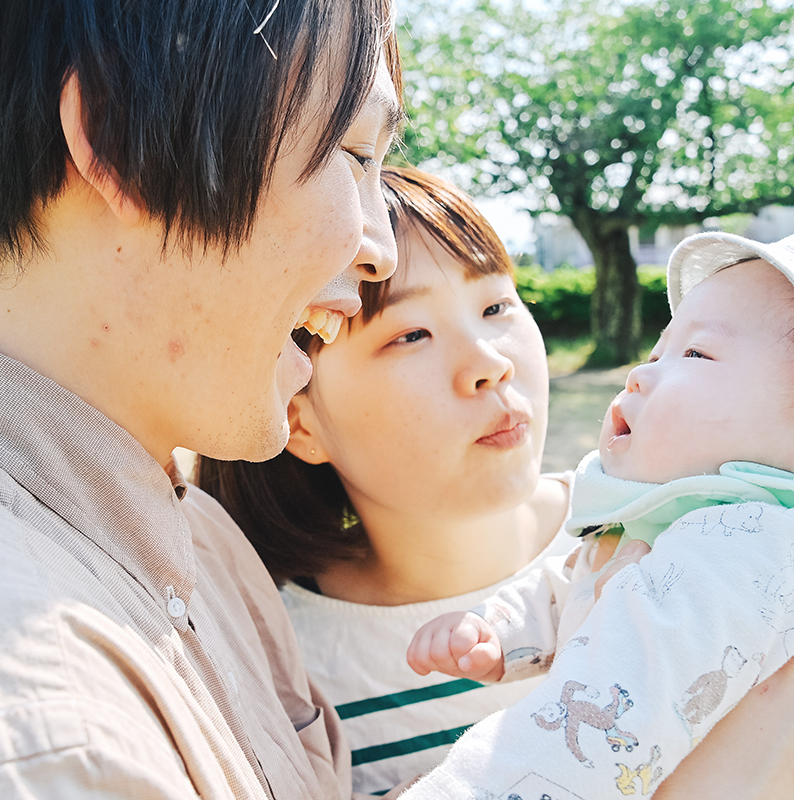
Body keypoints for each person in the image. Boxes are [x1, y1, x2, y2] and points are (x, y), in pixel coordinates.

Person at [0, 1, 794, 798]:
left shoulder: (186, 539)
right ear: (120, 144)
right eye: (353, 157)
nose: (380, 241)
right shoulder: (0, 728)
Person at [406, 222, 794, 799]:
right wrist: (505, 626)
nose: (640, 373)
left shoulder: (751, 548)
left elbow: (588, 727)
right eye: (659, 351)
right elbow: (593, 585)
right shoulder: (702, 529)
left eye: (696, 353)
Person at [198, 164, 597, 795]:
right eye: (411, 334)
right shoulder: (284, 672)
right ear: (298, 421)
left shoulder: (657, 529)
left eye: (496, 306)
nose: (489, 362)